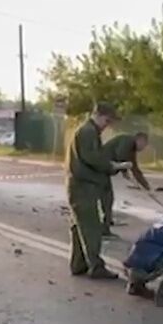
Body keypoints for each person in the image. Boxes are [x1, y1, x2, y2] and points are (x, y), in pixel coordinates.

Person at [65, 103, 132, 280]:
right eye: (107, 120)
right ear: (99, 115)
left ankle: (79, 264)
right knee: (91, 228)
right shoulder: (88, 132)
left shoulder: (88, 131)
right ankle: (96, 267)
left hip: (80, 186)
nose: (107, 125)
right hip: (82, 187)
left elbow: (92, 157)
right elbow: (93, 158)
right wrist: (114, 166)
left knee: (80, 226)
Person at [100, 132, 151, 237]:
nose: (143, 148)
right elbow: (121, 155)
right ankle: (103, 227)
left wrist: (146, 187)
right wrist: (124, 170)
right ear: (139, 140)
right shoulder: (127, 141)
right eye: (144, 145)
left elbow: (135, 169)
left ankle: (106, 225)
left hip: (104, 171)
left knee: (108, 198)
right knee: (106, 198)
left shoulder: (131, 148)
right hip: (100, 169)